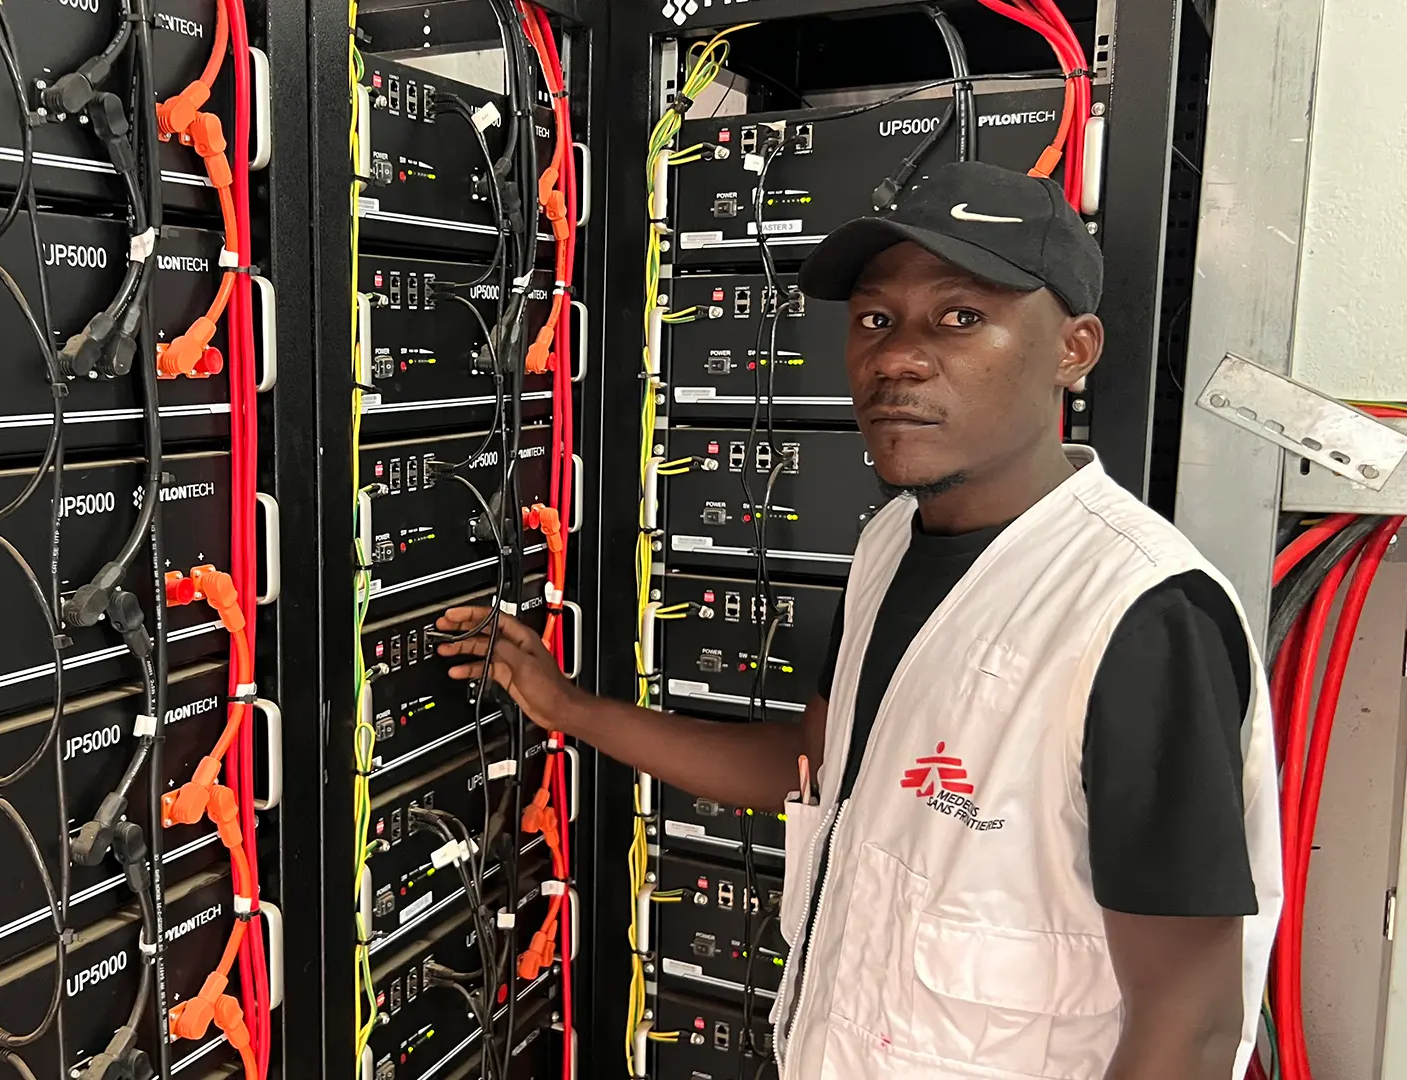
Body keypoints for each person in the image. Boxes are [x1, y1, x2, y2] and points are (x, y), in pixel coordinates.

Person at [436, 161, 1279, 1080]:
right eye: (875, 319)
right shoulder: (891, 545)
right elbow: (818, 759)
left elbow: (1189, 1027)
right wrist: (571, 711)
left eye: (962, 316)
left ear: (1074, 349)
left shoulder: (1139, 615)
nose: (898, 356)